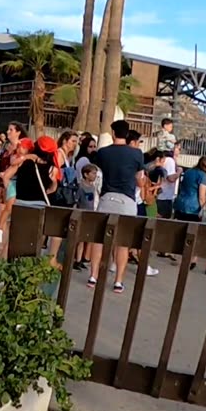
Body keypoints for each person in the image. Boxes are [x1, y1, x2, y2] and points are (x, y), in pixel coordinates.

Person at [90, 120, 153, 293]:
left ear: (113, 133)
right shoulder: (137, 154)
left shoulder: (103, 153)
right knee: (123, 242)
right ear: (127, 134)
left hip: (107, 197)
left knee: (99, 239)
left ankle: (93, 276)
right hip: (127, 199)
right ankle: (118, 281)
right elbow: (139, 179)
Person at [0, 122, 27, 245]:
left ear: (18, 132)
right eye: (8, 129)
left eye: (11, 130)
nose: (8, 132)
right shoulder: (6, 147)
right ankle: (0, 247)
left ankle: (4, 248)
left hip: (14, 183)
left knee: (9, 216)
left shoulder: (21, 147)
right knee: (1, 216)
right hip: (3, 185)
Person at [175, 156, 206, 223]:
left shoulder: (188, 171)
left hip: (180, 204)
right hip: (193, 209)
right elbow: (201, 197)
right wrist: (204, 211)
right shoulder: (203, 176)